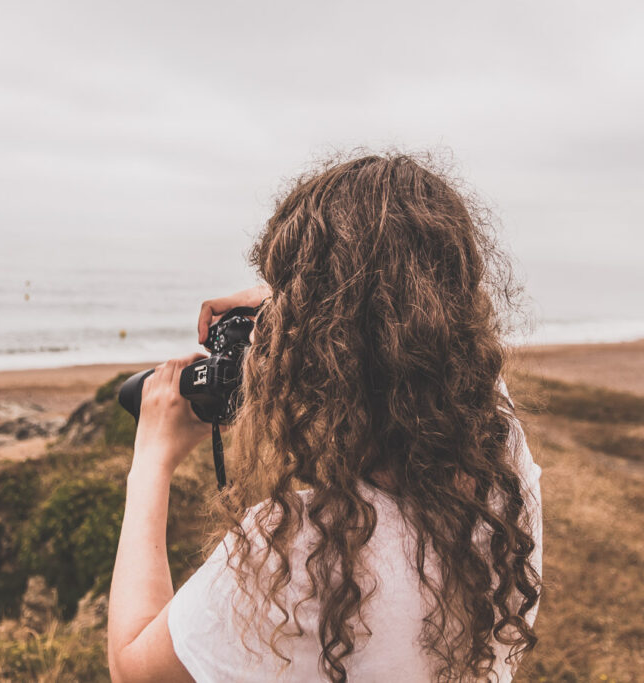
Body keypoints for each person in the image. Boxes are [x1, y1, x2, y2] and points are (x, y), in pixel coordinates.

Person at [107, 154, 542, 682]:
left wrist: (151, 458)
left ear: (320, 342)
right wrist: (300, 302)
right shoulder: (503, 463)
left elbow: (133, 667)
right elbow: (420, 331)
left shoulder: (298, 552)